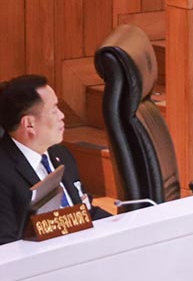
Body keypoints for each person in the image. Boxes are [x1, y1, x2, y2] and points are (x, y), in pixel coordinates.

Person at [0, 75, 110, 245]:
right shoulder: (4, 175)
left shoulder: (61, 155)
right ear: (29, 124)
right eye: (54, 110)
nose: (62, 115)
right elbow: (6, 245)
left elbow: (85, 212)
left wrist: (125, 227)